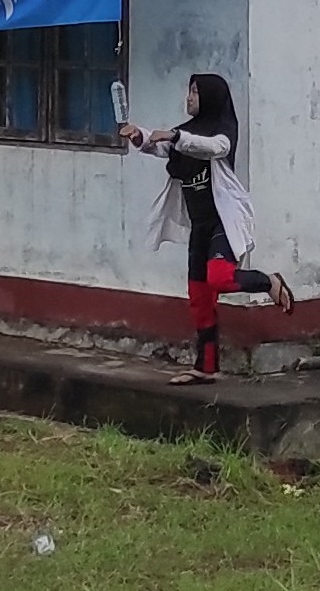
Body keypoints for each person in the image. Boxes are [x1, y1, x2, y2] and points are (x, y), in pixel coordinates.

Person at [121, 72, 294, 384]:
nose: (188, 98)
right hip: (200, 225)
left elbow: (214, 148)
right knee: (199, 298)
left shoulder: (223, 131)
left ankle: (268, 281)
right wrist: (139, 137)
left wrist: (174, 136)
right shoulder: (186, 132)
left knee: (219, 277)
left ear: (211, 97)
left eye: (195, 92)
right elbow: (162, 147)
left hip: (224, 221)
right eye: (189, 91)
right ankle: (206, 367)